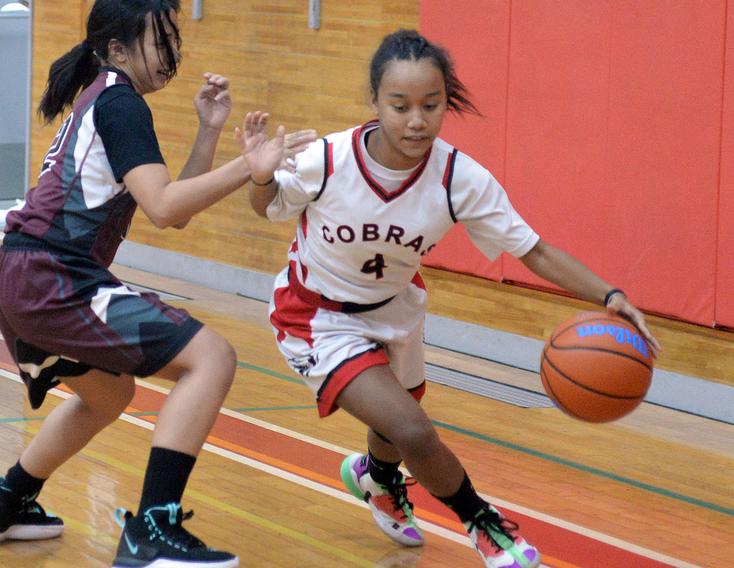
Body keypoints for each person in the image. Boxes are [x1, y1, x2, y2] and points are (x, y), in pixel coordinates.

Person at [248, 29, 661, 568]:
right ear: (374, 102)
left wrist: (611, 294)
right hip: (316, 317)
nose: (416, 120)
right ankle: (486, 526)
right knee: (412, 428)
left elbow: (532, 250)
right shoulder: (327, 160)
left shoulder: (458, 178)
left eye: (431, 105)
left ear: (447, 102)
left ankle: (375, 478)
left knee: (399, 419)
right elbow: (268, 206)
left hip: (396, 307)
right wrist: (259, 177)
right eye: (400, 106)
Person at [0, 1, 304, 567]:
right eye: (160, 37)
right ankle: (152, 528)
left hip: (23, 275)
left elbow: (174, 208)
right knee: (212, 358)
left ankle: (8, 499)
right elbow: (166, 208)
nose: (172, 50)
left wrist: (209, 131)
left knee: (109, 394)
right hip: (51, 275)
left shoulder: (109, 96)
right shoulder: (120, 102)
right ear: (118, 49)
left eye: (175, 36)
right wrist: (252, 166)